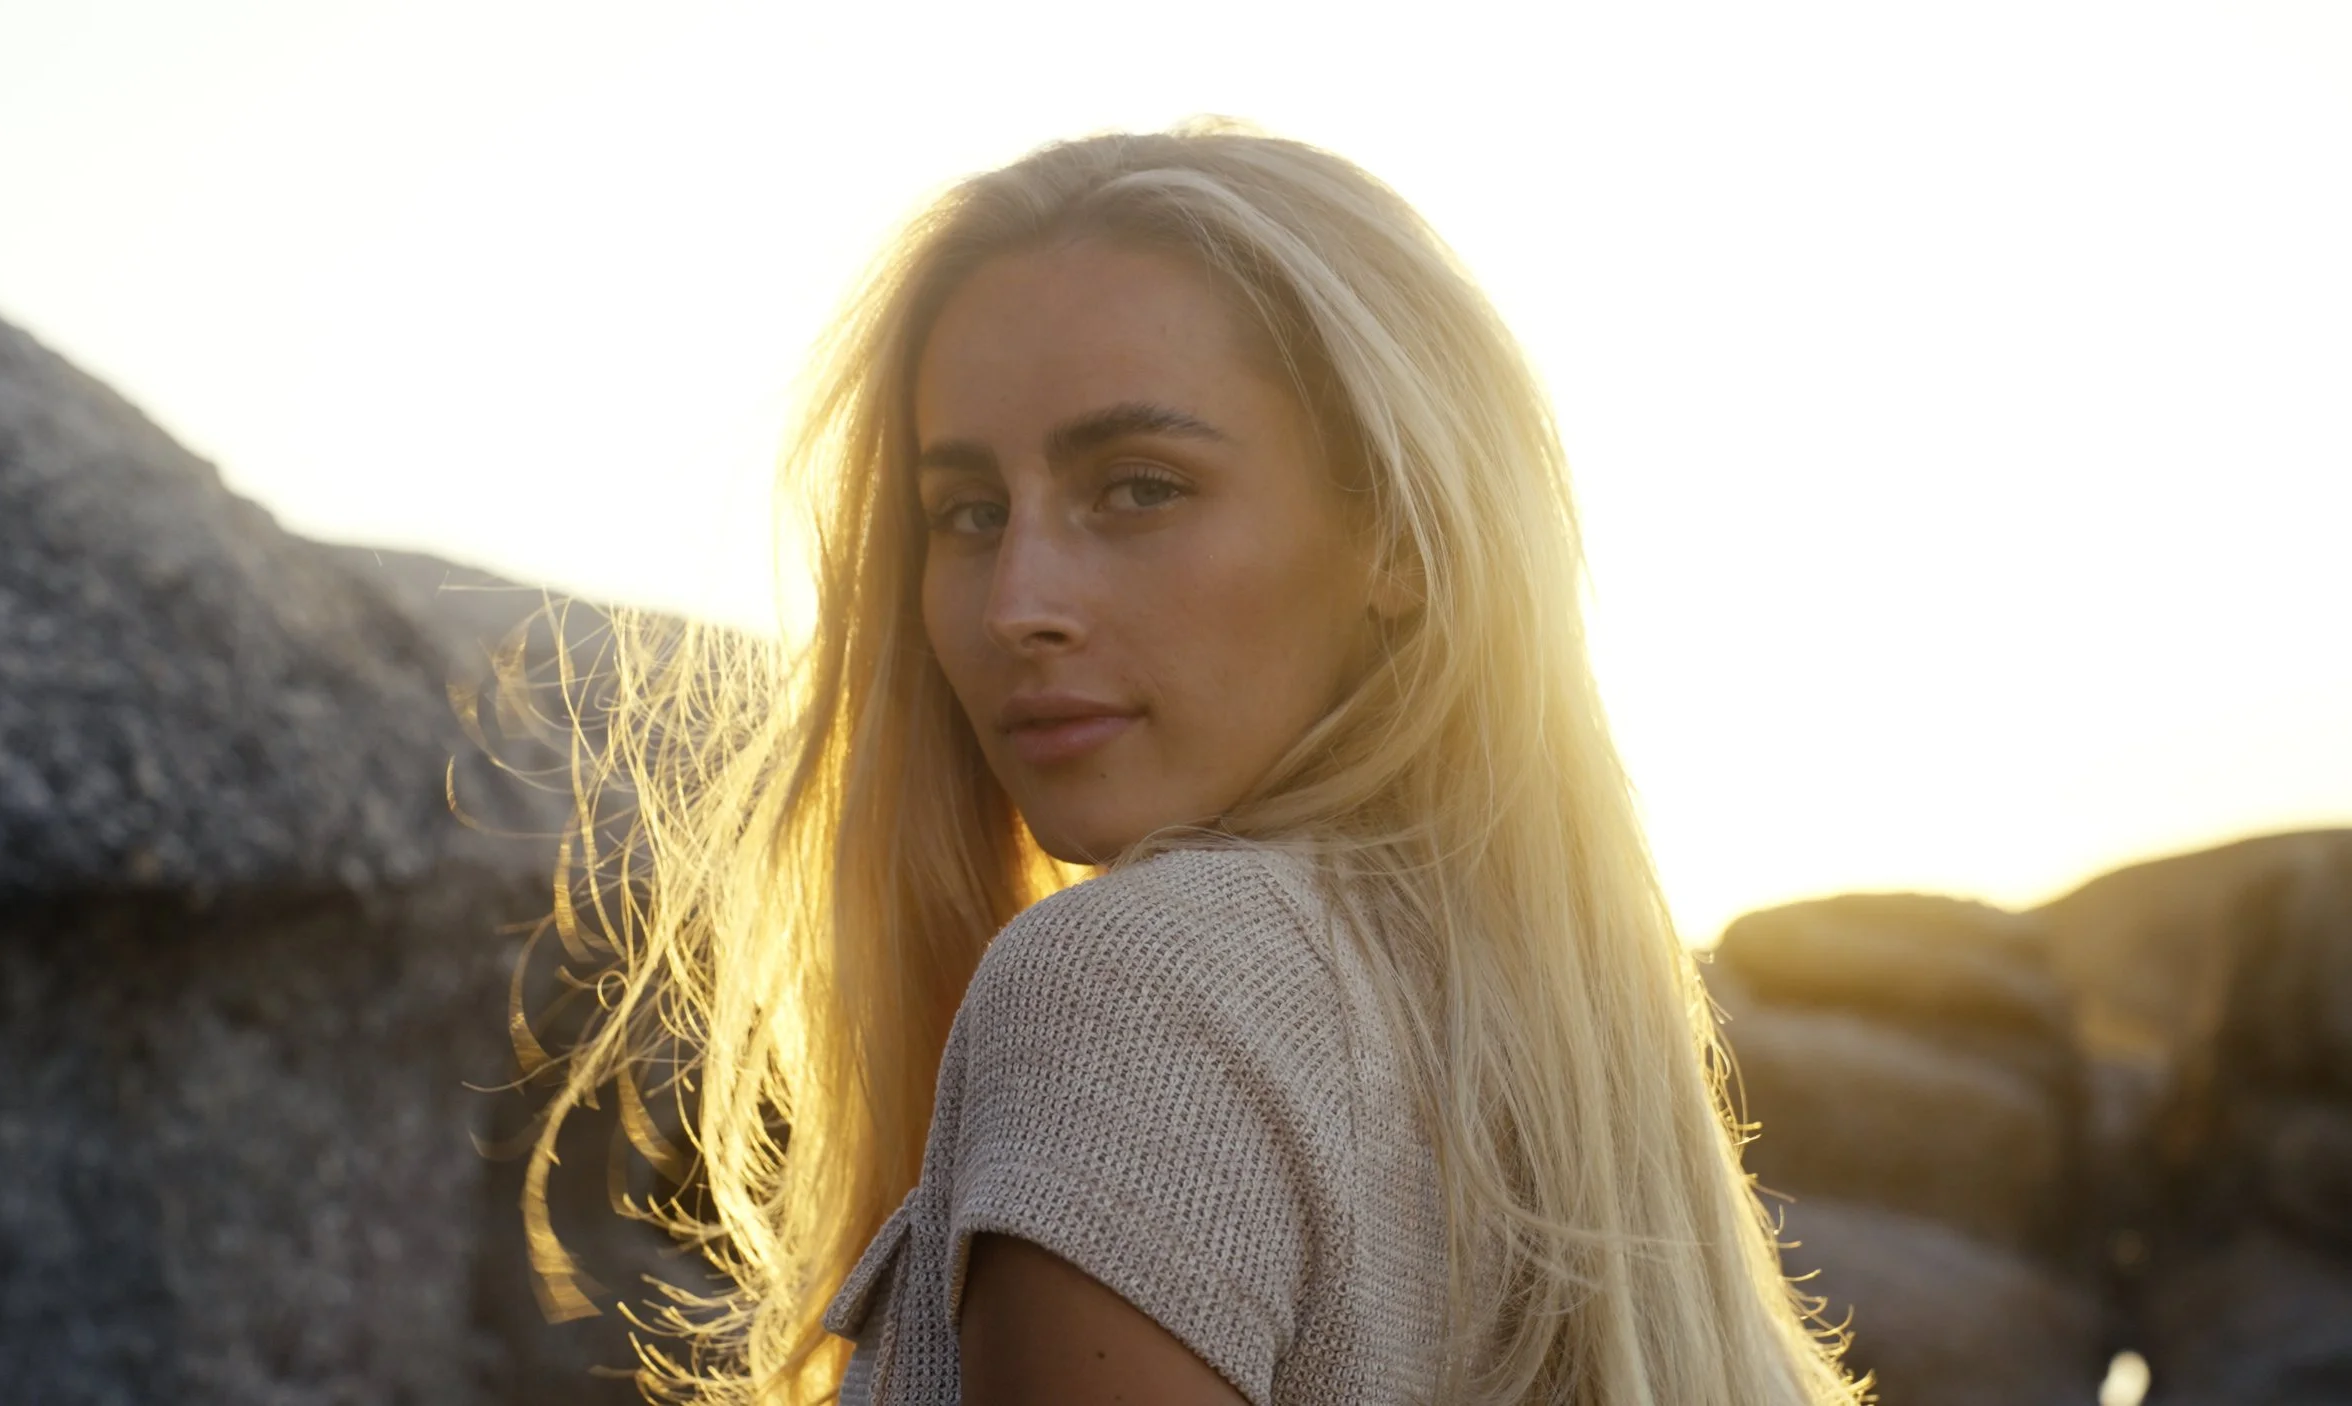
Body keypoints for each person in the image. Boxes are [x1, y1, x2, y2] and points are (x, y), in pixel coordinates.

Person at [523, 120, 1864, 1405]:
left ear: (1398, 530)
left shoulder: (1129, 987)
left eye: (1140, 485)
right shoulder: (1541, 1044)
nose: (1015, 603)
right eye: (968, 512)